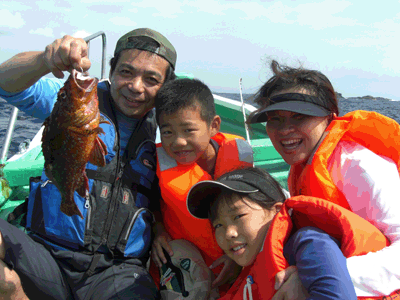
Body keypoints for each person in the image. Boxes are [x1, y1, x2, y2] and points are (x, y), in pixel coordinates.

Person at [0, 28, 177, 299]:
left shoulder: (168, 130)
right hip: (47, 254)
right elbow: (5, 83)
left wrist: (161, 229)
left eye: (151, 79)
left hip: (118, 272)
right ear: (112, 69)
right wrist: (44, 61)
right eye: (126, 72)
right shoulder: (71, 100)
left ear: (165, 87)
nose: (136, 86)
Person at [247, 60, 400, 298]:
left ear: (330, 118)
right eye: (275, 119)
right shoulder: (302, 164)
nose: (285, 129)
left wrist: (317, 277)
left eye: (299, 117)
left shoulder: (358, 166)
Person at [186, 167, 395, 300]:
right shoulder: (253, 260)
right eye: (218, 226)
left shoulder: (309, 243)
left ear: (276, 211)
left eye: (238, 216)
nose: (228, 233)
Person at [150, 78, 254, 296]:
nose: (178, 142)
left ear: (213, 126)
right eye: (167, 132)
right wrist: (158, 231)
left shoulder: (240, 158)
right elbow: (151, 202)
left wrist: (237, 258)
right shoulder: (157, 162)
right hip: (184, 262)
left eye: (188, 130)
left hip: (231, 259)